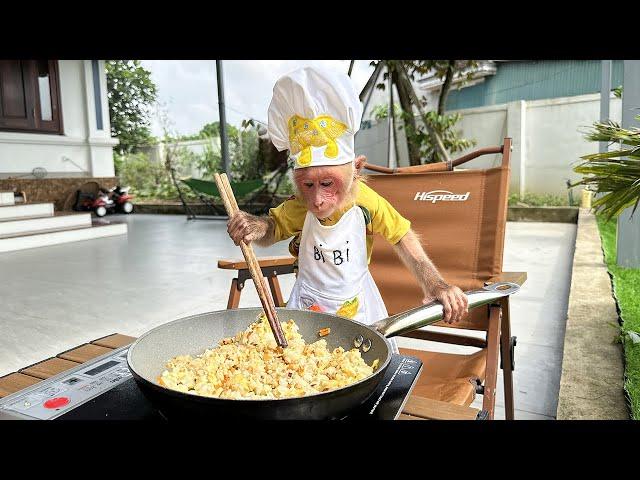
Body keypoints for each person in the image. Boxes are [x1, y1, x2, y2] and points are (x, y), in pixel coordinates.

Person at [226, 66, 468, 351]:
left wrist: (435, 284)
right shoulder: (301, 206)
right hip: (308, 306)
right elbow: (273, 228)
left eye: (327, 183)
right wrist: (254, 226)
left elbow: (403, 236)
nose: (316, 200)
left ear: (357, 169)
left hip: (358, 310)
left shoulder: (366, 201)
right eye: (308, 185)